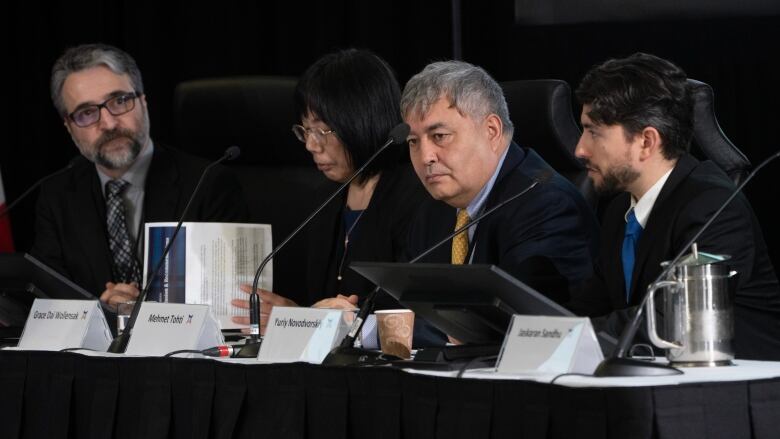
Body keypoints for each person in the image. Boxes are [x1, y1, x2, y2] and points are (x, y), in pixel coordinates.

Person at [567, 52, 780, 360]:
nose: (579, 149)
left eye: (593, 132)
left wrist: (568, 337)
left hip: (736, 393)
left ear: (646, 142)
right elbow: (590, 308)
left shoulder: (713, 207)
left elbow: (674, 322)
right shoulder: (618, 213)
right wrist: (536, 334)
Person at [32, 43, 247, 312]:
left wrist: (146, 312)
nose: (109, 124)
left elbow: (229, 301)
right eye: (87, 113)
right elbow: (50, 304)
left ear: (143, 101)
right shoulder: (56, 195)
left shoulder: (208, 183)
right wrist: (102, 314)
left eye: (120, 101)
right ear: (69, 126)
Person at [231, 49, 429, 334]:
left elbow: (412, 317)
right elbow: (321, 306)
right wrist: (295, 316)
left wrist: (303, 318)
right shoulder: (323, 199)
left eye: (322, 131)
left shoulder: (417, 198)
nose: (311, 145)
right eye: (305, 131)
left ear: (363, 120)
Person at [401, 60, 599, 306]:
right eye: (413, 141)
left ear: (492, 131)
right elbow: (406, 305)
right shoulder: (432, 211)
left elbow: (521, 319)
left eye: (439, 136)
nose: (425, 156)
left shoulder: (546, 204)